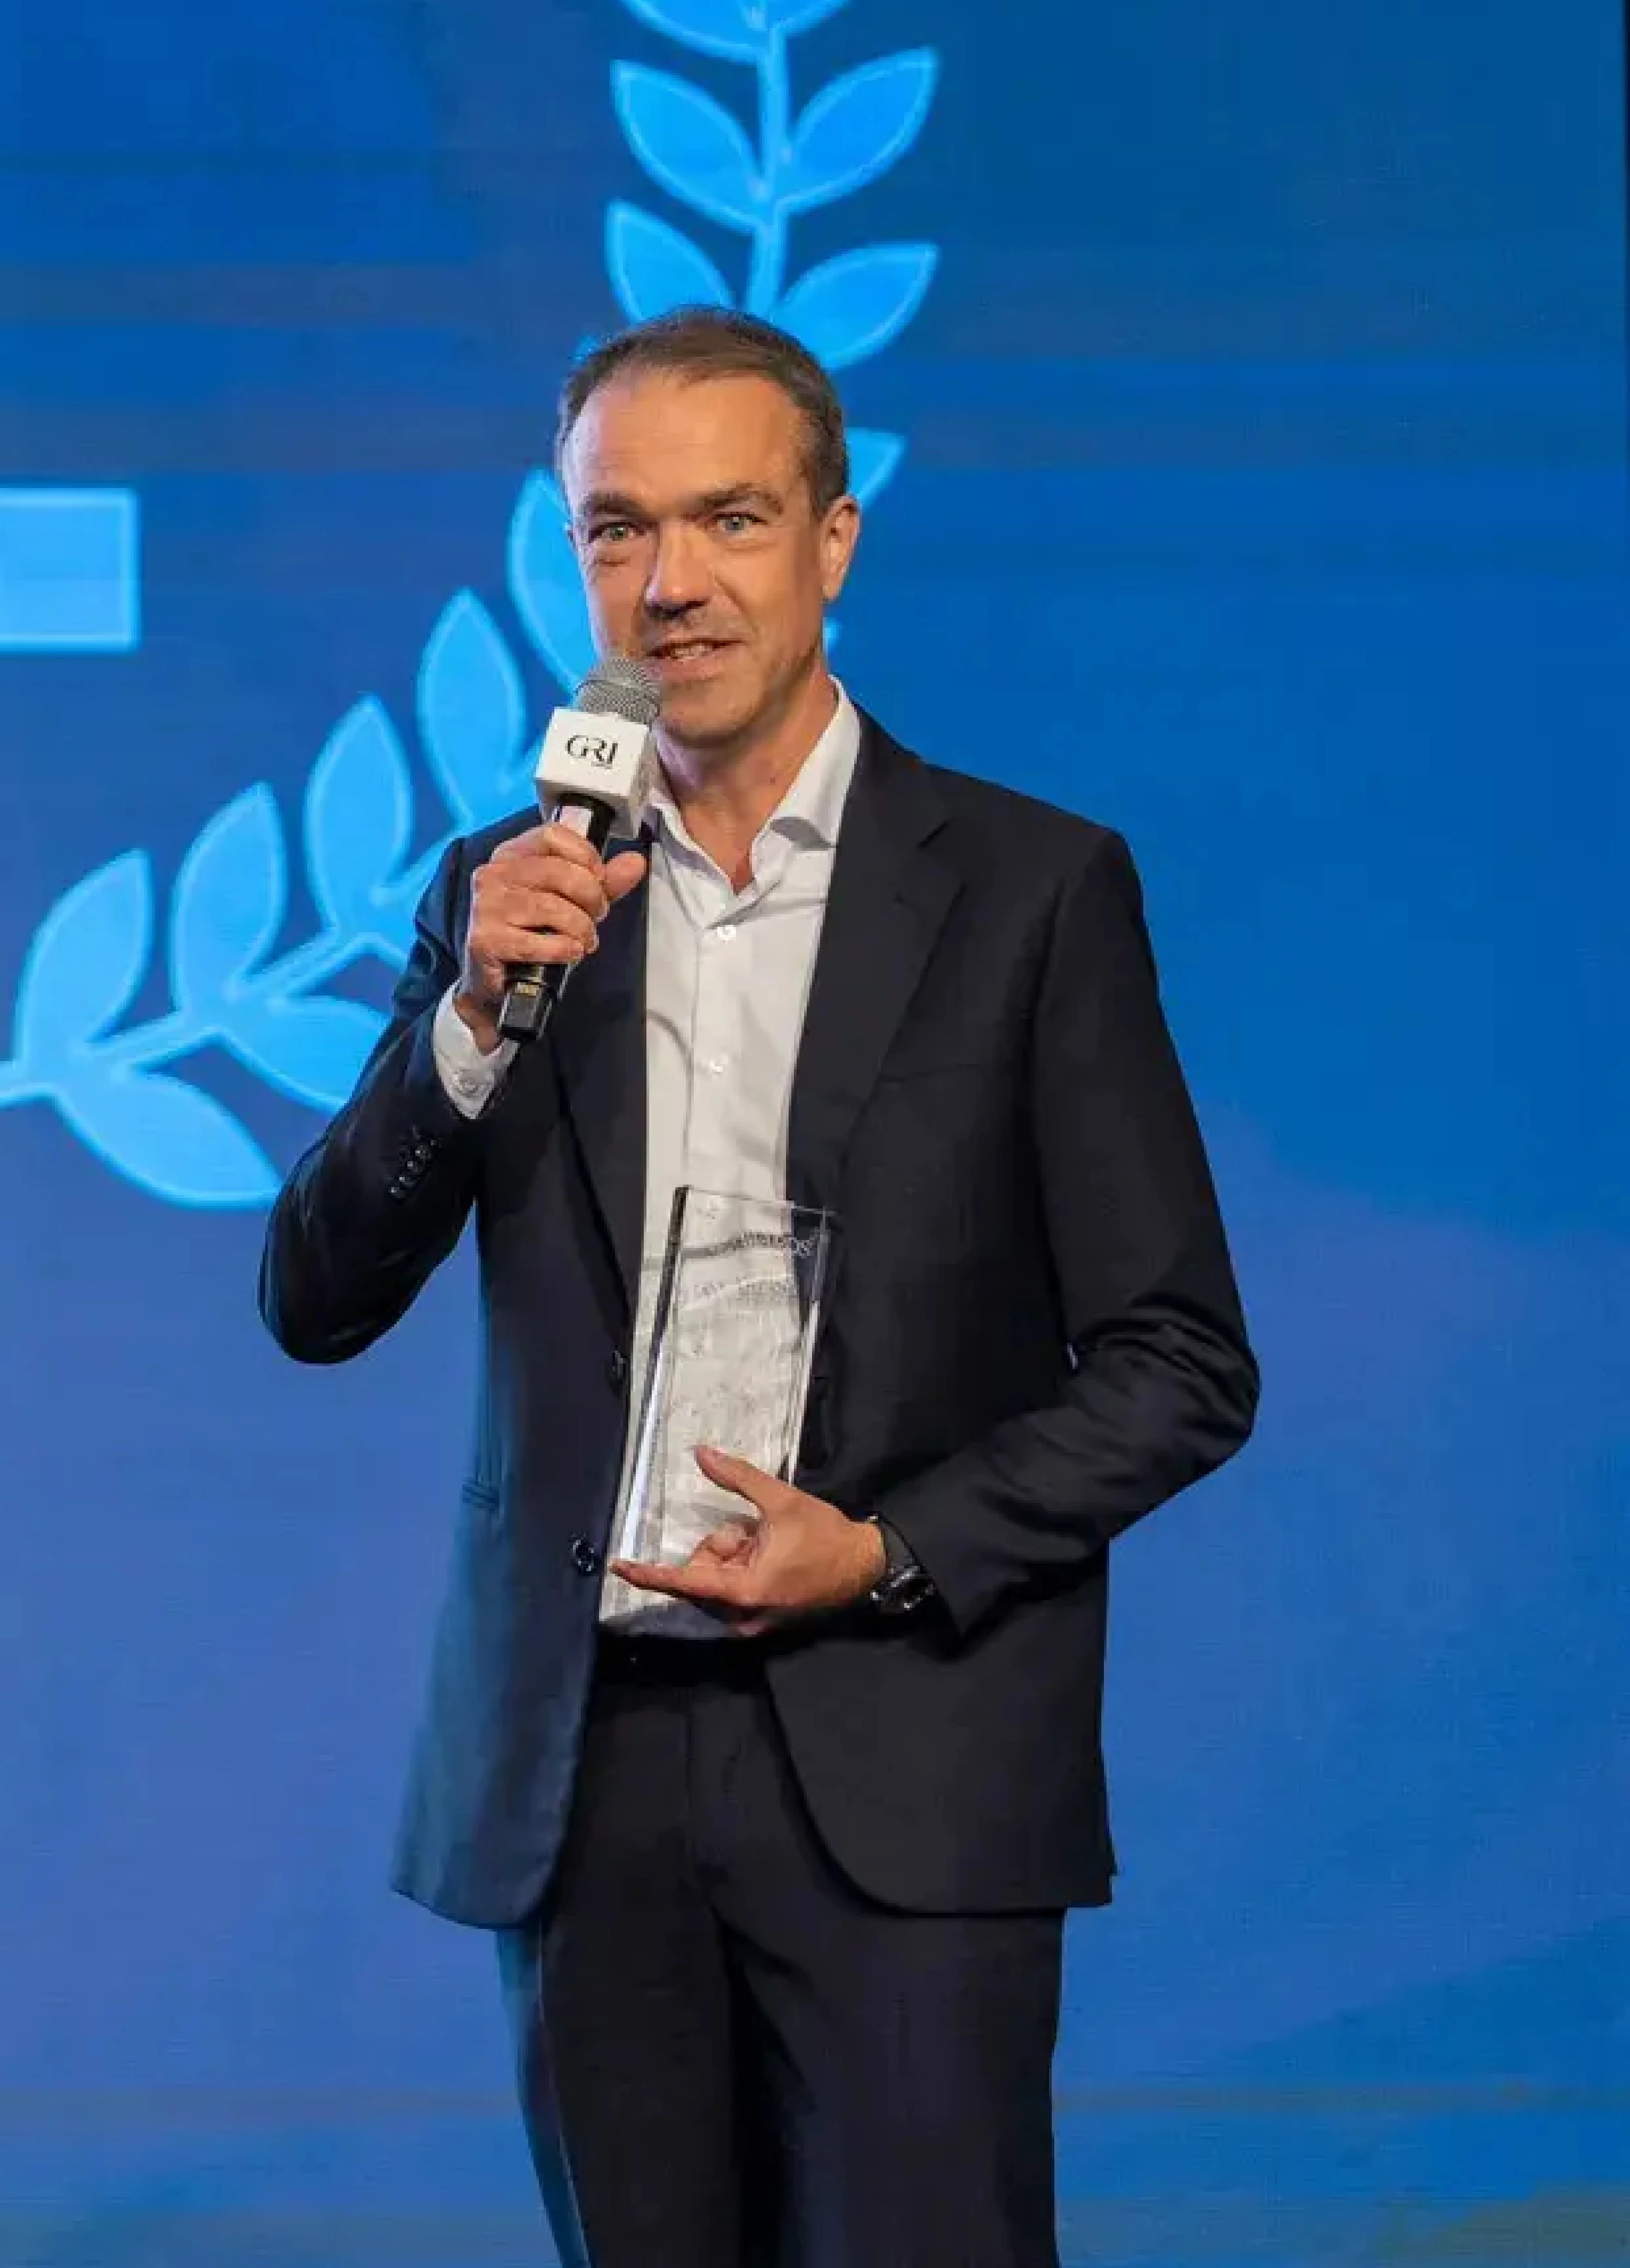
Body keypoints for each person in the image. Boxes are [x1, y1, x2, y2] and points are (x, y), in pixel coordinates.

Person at [262, 308, 1257, 2266]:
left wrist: (882, 1547)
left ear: (836, 540)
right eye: (616, 527)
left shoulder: (1032, 889)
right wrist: (469, 1017)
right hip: (590, 1758)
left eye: (728, 517)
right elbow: (316, 1291)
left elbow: (1178, 1362)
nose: (671, 580)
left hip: (901, 1745)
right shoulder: (513, 887)